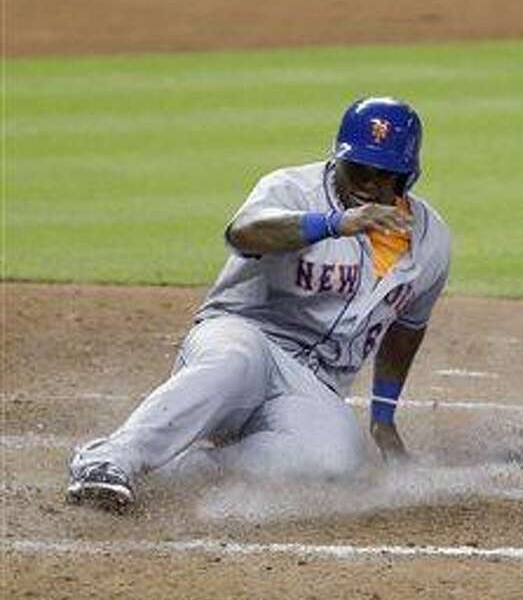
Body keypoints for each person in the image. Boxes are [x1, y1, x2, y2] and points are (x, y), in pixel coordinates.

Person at [66, 96, 452, 511]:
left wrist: (384, 417)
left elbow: (408, 327)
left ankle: (179, 472)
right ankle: (107, 459)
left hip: (312, 387)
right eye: (357, 167)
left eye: (385, 175)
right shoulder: (292, 189)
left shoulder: (431, 241)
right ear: (337, 157)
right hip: (242, 337)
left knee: (338, 459)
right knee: (238, 358)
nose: (368, 183)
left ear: (407, 177)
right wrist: (333, 224)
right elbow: (244, 233)